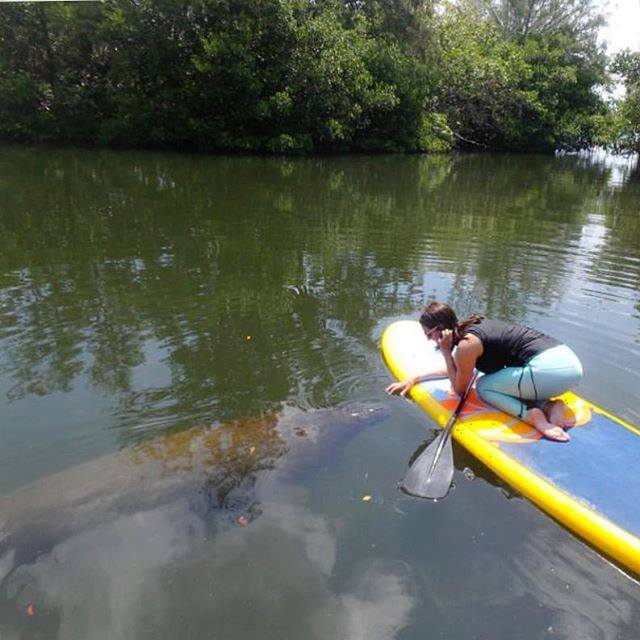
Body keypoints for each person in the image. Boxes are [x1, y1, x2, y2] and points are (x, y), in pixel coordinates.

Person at [386, 302, 583, 442]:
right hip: (567, 364)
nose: (430, 340)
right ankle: (550, 406)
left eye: (429, 334)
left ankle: (534, 417)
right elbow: (459, 369)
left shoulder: (466, 346)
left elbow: (460, 388)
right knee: (502, 382)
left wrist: (446, 351)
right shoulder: (471, 330)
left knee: (485, 386)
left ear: (441, 330)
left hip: (548, 371)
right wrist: (415, 378)